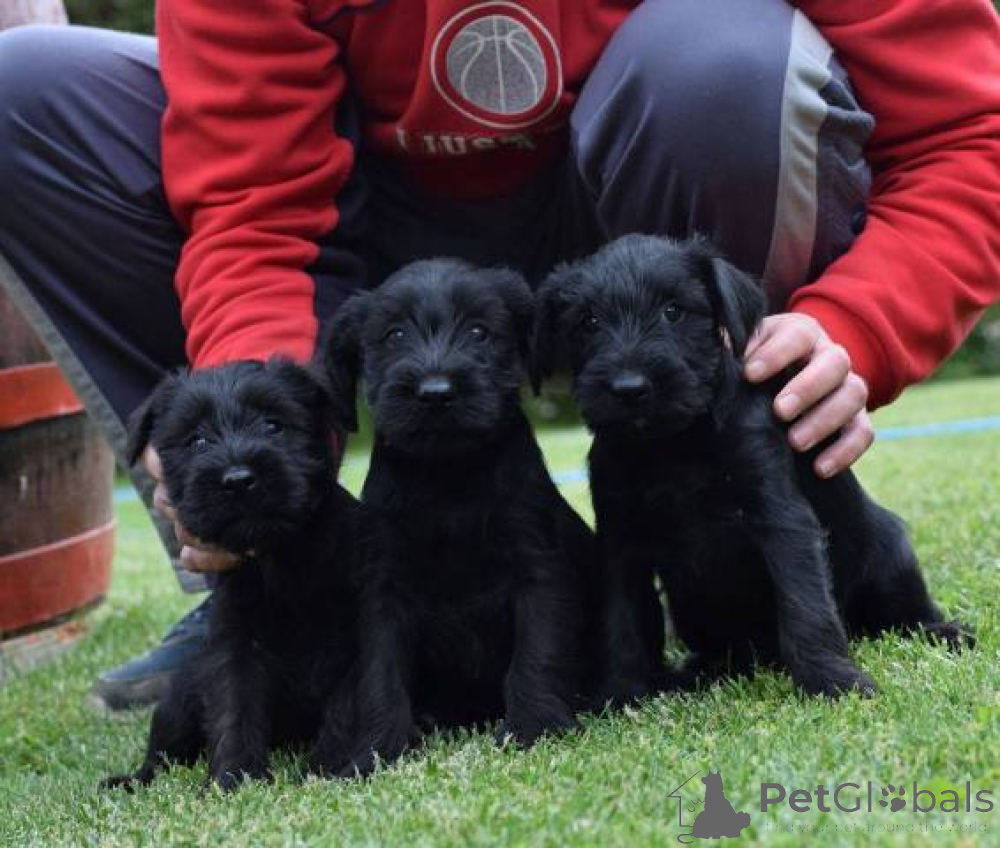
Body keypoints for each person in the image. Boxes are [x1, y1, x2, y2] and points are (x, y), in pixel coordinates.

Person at [0, 0, 996, 711]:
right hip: (375, 219)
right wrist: (266, 438)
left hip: (629, 195)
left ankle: (729, 520)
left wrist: (859, 321)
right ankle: (281, 589)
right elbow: (256, 209)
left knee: (721, 63)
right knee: (28, 93)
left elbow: (966, 131)